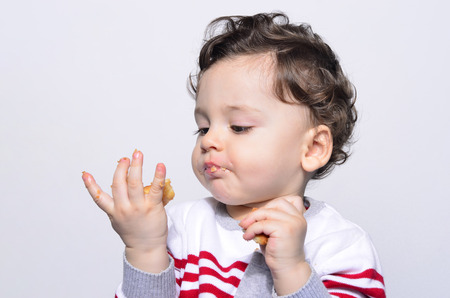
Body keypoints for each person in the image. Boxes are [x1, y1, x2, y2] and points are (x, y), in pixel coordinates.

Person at [82, 12, 385, 298]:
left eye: (238, 127)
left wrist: (293, 271)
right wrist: (145, 248)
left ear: (313, 148)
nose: (210, 140)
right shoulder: (179, 229)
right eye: (203, 127)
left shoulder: (340, 245)